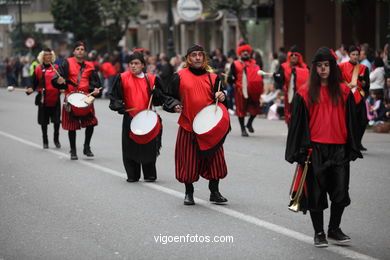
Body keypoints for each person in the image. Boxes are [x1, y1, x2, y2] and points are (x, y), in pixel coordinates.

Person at [285, 47, 362, 247]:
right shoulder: (304, 92)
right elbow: (298, 125)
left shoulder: (344, 91)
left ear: (332, 67)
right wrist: (300, 150)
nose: (323, 69)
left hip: (339, 150)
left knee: (341, 193)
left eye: (326, 65)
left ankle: (334, 229)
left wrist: (352, 146)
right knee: (316, 195)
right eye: (319, 66)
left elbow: (353, 121)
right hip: (315, 150)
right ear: (314, 69)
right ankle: (319, 233)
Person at [164, 44, 229, 205]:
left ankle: (214, 192)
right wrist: (174, 105)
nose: (198, 57)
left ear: (205, 58)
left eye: (200, 54)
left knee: (215, 161)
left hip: (210, 127)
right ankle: (189, 193)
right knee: (188, 161)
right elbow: (168, 96)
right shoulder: (179, 76)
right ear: (188, 58)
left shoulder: (213, 78)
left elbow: (223, 98)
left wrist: (222, 96)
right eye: (194, 55)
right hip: (188, 125)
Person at [109, 51, 172, 182]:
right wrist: (119, 106)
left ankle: (149, 174)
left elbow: (160, 100)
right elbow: (114, 97)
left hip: (147, 118)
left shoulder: (152, 79)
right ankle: (133, 174)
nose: (133, 66)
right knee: (129, 147)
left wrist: (157, 94)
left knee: (148, 147)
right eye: (131, 63)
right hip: (130, 117)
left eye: (136, 63)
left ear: (143, 65)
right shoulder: (122, 77)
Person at [52, 41, 101, 160]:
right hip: (71, 97)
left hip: (86, 97)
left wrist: (95, 90)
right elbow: (56, 78)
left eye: (82, 49)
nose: (80, 51)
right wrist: (59, 81)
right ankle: (73, 150)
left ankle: (86, 146)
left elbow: (96, 83)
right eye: (78, 49)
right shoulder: (66, 63)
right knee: (72, 126)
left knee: (92, 123)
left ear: (85, 52)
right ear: (74, 51)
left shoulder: (90, 65)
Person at [26, 48, 62, 149]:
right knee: (43, 122)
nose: (48, 56)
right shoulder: (38, 68)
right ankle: (45, 141)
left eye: (50, 55)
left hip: (55, 99)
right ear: (42, 57)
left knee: (56, 122)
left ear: (52, 56)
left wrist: (63, 86)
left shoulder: (57, 68)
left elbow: (62, 82)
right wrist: (30, 88)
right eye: (46, 55)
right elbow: (33, 83)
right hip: (43, 99)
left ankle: (56, 140)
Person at [228, 42, 263, 136]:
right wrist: (231, 80)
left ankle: (249, 123)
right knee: (241, 110)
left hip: (253, 90)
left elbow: (259, 75)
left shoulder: (255, 63)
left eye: (247, 51)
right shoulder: (235, 64)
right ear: (240, 53)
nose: (245, 53)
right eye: (243, 51)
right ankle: (243, 129)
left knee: (255, 109)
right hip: (240, 90)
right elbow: (230, 78)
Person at [339, 45, 370, 151]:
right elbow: (338, 81)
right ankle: (348, 142)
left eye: (357, 54)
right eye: (353, 54)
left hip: (358, 96)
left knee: (363, 121)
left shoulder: (363, 68)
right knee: (348, 121)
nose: (355, 57)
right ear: (349, 55)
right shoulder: (341, 66)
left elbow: (367, 86)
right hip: (346, 96)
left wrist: (363, 83)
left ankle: (358, 141)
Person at [274, 45, 309, 125]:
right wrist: (276, 77)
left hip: (302, 96)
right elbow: (280, 80)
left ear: (299, 56)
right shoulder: (284, 66)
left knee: (301, 117)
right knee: (290, 117)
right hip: (289, 96)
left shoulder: (305, 67)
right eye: (292, 55)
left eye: (296, 55)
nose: (293, 56)